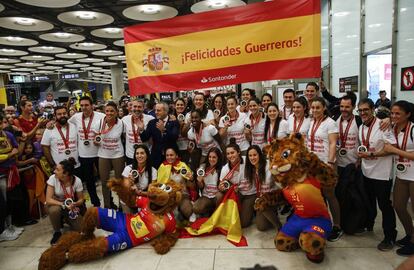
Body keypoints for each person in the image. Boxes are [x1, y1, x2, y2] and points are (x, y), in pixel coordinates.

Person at [357, 98, 397, 251]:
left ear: (372, 109)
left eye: (365, 110)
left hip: (382, 174)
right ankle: (369, 225)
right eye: (360, 110)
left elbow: (391, 148)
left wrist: (371, 154)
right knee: (369, 201)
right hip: (367, 171)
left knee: (385, 205)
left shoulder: (383, 125)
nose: (363, 113)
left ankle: (390, 236)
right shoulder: (361, 127)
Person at [307, 97, 343, 241]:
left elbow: (333, 144)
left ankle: (337, 226)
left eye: (318, 107)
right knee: (318, 197)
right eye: (313, 107)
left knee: (330, 195)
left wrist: (330, 163)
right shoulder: (312, 122)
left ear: (324, 108)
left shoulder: (330, 123)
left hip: (326, 166)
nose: (315, 110)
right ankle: (322, 223)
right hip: (313, 166)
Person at [386, 101, 414, 256]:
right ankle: (410, 234)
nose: (394, 116)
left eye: (398, 113)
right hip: (402, 174)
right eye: (392, 113)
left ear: (408, 114)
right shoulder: (393, 128)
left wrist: (394, 150)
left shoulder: (413, 129)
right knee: (399, 206)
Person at [68, 96, 105, 207]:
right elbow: (65, 124)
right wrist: (50, 125)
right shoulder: (76, 117)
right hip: (84, 154)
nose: (84, 107)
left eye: (86, 105)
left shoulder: (101, 116)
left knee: (104, 180)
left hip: (100, 153)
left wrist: (101, 137)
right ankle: (95, 203)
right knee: (89, 181)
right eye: (82, 105)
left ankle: (109, 201)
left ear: (92, 105)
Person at [45, 158, 84, 245]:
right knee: (54, 210)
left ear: (65, 174)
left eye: (57, 170)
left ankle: (66, 219)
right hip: (55, 204)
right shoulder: (53, 178)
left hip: (71, 206)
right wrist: (63, 204)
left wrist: (75, 203)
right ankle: (57, 232)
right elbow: (48, 200)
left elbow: (81, 199)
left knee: (81, 228)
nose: (54, 171)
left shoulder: (77, 181)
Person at [96, 101, 125, 209]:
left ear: (116, 112)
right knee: (104, 182)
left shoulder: (121, 123)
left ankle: (122, 205)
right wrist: (96, 141)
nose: (109, 113)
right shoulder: (100, 122)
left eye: (112, 111)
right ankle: (108, 205)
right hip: (103, 155)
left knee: (119, 182)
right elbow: (95, 138)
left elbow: (125, 137)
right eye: (107, 111)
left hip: (118, 154)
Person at [0, 114, 23, 242]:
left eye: (3, 122)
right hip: (1, 173)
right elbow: (12, 152)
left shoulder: (8, 135)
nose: (2, 125)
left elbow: (16, 149)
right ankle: (2, 229)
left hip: (11, 170)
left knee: (10, 200)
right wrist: (8, 155)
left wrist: (8, 155)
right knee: (2, 202)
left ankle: (9, 226)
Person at [248, 145, 282, 231]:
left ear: (259, 155)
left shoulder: (269, 166)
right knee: (261, 227)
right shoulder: (249, 168)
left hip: (273, 195)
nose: (252, 158)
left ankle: (279, 227)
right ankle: (270, 213)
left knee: (263, 203)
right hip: (261, 197)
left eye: (255, 155)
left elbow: (280, 184)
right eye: (250, 156)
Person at [157, 147, 193, 221]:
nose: (169, 157)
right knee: (171, 217)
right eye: (167, 155)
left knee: (188, 211)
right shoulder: (162, 167)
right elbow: (160, 185)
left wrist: (191, 179)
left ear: (176, 155)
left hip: (183, 194)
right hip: (169, 196)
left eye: (171, 155)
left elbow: (191, 184)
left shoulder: (182, 165)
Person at [140, 102, 180, 168]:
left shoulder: (174, 122)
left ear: (166, 111)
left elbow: (174, 137)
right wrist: (141, 130)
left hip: (170, 156)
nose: (155, 112)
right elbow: (144, 138)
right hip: (156, 157)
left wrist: (164, 130)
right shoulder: (152, 123)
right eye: (155, 110)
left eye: (158, 110)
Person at [121, 144, 157, 213]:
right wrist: (130, 183)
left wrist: (139, 192)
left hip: (143, 198)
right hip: (129, 198)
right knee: (130, 221)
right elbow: (124, 189)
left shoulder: (153, 171)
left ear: (147, 155)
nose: (139, 156)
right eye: (137, 153)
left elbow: (152, 192)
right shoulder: (128, 169)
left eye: (142, 153)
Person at [217, 139, 246, 225]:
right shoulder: (225, 169)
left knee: (244, 223)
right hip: (237, 193)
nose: (230, 156)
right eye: (228, 154)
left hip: (250, 193)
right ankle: (219, 214)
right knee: (218, 195)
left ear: (239, 152)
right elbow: (221, 185)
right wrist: (221, 188)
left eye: (232, 153)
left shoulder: (247, 160)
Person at [122, 99, 154, 165]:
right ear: (131, 107)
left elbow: (152, 138)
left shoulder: (150, 119)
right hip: (130, 155)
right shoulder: (124, 119)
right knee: (132, 174)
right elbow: (124, 135)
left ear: (143, 108)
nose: (137, 109)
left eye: (139, 107)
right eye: (135, 106)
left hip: (146, 154)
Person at [193, 147, 223, 217]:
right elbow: (201, 187)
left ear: (218, 158)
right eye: (209, 157)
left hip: (216, 197)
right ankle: (208, 211)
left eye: (214, 157)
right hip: (206, 196)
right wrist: (199, 181)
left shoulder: (222, 169)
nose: (211, 159)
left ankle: (215, 214)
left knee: (220, 195)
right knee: (195, 208)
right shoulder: (202, 167)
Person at [175, 98, 190, 162]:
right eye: (178, 104)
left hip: (186, 148)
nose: (179, 106)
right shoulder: (171, 118)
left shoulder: (188, 117)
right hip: (176, 148)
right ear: (174, 106)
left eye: (181, 105)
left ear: (184, 106)